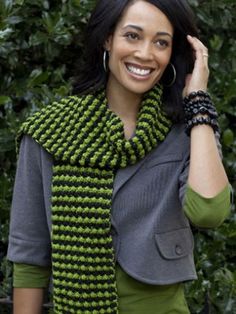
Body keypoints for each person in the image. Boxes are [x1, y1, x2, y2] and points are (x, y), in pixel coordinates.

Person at [7, 0, 232, 313]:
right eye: (132, 36)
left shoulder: (190, 128)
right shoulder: (49, 131)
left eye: (161, 43)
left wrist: (198, 102)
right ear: (108, 39)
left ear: (172, 54)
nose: (145, 53)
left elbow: (209, 212)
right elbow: (30, 253)